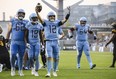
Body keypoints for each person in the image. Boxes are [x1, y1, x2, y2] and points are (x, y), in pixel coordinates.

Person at [35, 3, 70, 77]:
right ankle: (48, 72)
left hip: (55, 41)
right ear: (48, 17)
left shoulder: (57, 22)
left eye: (53, 16)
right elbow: (40, 20)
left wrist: (68, 14)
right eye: (50, 16)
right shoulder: (46, 22)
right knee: (49, 56)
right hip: (48, 42)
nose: (52, 17)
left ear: (55, 16)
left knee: (56, 57)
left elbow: (64, 21)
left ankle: (54, 71)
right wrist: (37, 13)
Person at [6, 9, 28, 76]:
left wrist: (27, 42)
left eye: (22, 13)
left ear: (24, 15)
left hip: (22, 42)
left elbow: (27, 33)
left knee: (21, 57)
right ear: (17, 14)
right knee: (13, 54)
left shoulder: (26, 22)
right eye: (19, 13)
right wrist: (7, 41)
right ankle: (12, 68)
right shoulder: (13, 21)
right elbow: (9, 31)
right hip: (14, 41)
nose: (21, 14)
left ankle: (20, 70)